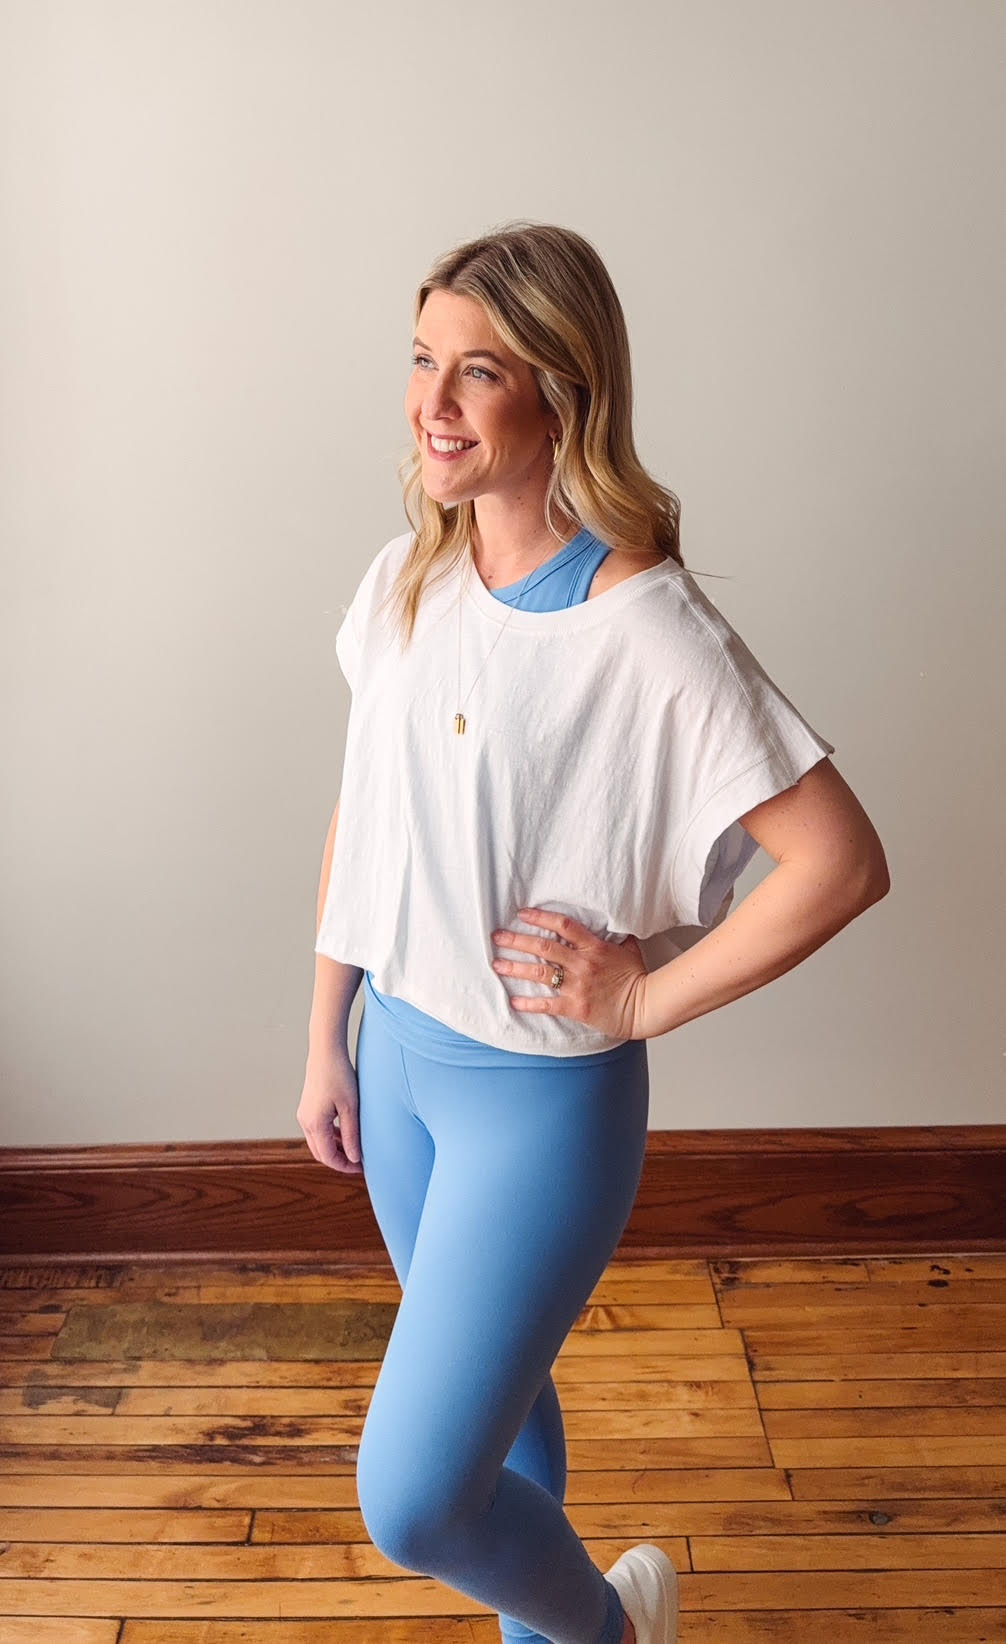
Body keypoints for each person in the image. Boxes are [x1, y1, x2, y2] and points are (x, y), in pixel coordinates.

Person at [297, 221, 890, 1644]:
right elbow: (362, 815)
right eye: (423, 359)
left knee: (414, 1498)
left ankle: (609, 1631)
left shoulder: (645, 624)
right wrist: (324, 1033)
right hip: (399, 1064)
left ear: (562, 393)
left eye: (478, 370)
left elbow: (839, 861)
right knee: (498, 1426)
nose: (431, 401)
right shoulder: (404, 580)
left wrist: (639, 1000)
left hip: (535, 1107)